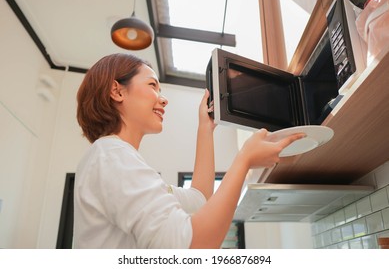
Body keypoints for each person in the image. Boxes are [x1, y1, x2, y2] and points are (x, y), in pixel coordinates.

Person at [74, 53, 304, 249]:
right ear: (117, 91)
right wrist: (243, 160)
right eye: (152, 85)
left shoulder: (115, 158)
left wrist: (205, 128)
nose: (163, 100)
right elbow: (191, 245)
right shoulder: (113, 156)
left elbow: (199, 199)